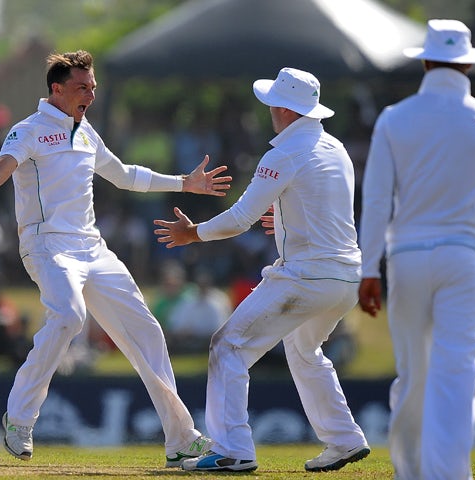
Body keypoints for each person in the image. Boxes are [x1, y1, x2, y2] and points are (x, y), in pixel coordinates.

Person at [0, 50, 232, 465]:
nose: (90, 93)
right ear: (57, 89)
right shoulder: (29, 129)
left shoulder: (86, 131)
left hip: (93, 248)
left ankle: (181, 440)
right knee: (69, 317)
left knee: (147, 331)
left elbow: (124, 175)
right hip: (48, 245)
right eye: (81, 87)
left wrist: (184, 183)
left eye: (92, 87)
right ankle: (19, 418)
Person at [154, 67, 370, 472]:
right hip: (345, 278)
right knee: (304, 350)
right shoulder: (335, 148)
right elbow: (325, 207)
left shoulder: (283, 154)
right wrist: (288, 220)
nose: (269, 109)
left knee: (228, 346)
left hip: (307, 276)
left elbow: (240, 218)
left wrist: (193, 233)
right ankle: (344, 440)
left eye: (273, 103)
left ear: (284, 110)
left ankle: (233, 449)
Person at [357, 20, 475, 480]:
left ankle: (410, 473)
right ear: (468, 62)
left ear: (426, 60)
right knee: (455, 375)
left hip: (407, 257)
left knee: (414, 374)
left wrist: (368, 268)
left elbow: (375, 200)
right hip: (464, 257)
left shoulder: (394, 118)